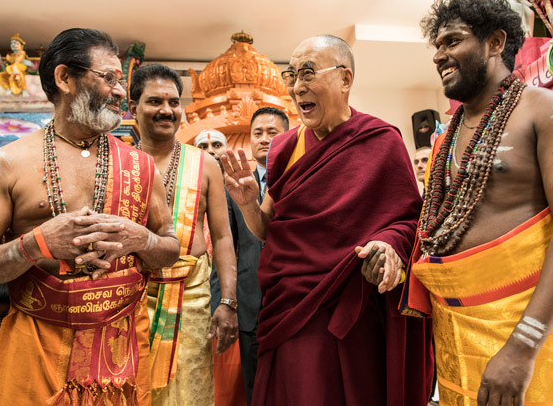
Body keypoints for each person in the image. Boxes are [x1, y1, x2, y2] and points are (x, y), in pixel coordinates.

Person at [0, 28, 180, 405]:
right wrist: (36, 244)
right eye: (108, 77)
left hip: (118, 349)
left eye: (120, 80)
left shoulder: (140, 167)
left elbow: (170, 249)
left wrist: (139, 239)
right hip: (36, 344)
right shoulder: (5, 165)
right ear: (64, 78)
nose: (119, 91)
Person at [401, 0, 553, 406]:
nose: (439, 55)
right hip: (453, 331)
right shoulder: (444, 141)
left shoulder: (550, 112)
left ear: (494, 42)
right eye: (437, 46)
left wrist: (522, 347)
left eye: (452, 41)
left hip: (527, 335)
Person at [222, 35, 433, 405]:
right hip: (291, 305)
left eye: (308, 73)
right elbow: (270, 231)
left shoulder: (381, 140)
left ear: (345, 79)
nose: (296, 87)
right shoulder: (286, 147)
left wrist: (387, 243)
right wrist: (247, 205)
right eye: (291, 75)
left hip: (352, 309)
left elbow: (408, 220)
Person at [128, 63, 238, 406]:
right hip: (131, 295)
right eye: (155, 102)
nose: (166, 110)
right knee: (131, 387)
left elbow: (221, 238)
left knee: (190, 390)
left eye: (174, 102)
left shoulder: (205, 165)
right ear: (133, 109)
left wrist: (229, 302)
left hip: (191, 296)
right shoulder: (122, 163)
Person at [213, 106, 288, 404]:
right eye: (258, 133)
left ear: (288, 137)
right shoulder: (229, 185)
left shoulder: (300, 177)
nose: (264, 139)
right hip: (248, 299)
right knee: (254, 388)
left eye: (273, 132)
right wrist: (224, 301)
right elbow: (224, 244)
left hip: (290, 296)